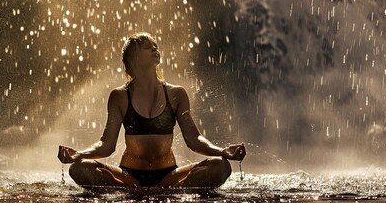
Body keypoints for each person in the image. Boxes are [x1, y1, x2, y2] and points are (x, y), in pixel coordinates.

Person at [57, 32, 246, 188]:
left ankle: (165, 191)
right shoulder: (119, 96)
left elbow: (194, 139)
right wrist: (80, 154)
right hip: (128, 177)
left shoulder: (177, 94)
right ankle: (147, 191)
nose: (155, 49)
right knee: (79, 168)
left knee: (220, 166)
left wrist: (223, 151)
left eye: (155, 46)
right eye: (148, 47)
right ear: (134, 58)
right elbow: (106, 145)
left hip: (169, 176)